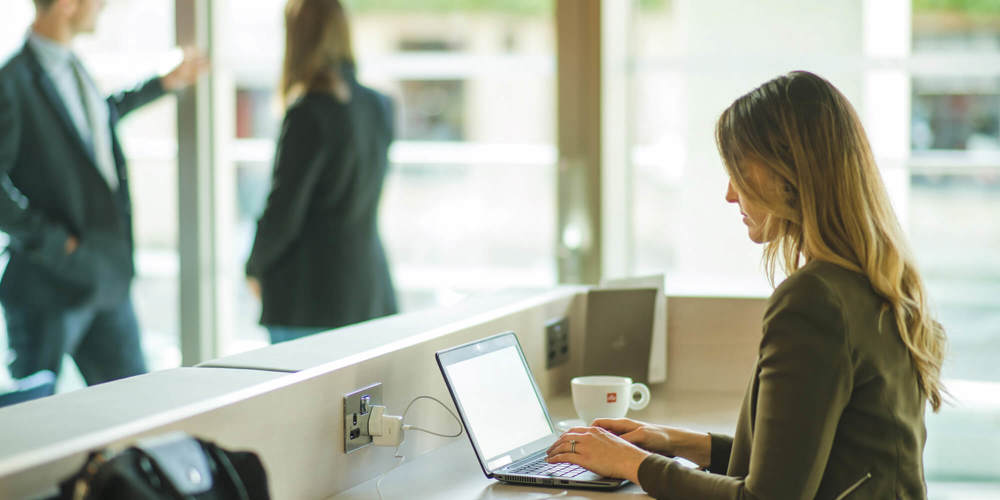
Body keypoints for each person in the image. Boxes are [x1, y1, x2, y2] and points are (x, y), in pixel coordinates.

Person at [545, 71, 948, 499]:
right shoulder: (878, 282)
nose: (730, 194)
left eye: (739, 171)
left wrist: (632, 464)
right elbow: (808, 460)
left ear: (788, 170)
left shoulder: (815, 299)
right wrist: (676, 443)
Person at [0, 0, 207, 387]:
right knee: (37, 422)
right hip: (49, 284)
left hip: (105, 276)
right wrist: (56, 243)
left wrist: (161, 84)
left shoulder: (73, 66)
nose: (104, 6)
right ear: (66, 5)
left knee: (133, 408)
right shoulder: (10, 82)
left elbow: (95, 121)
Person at [245, 0, 398, 344]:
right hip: (368, 291)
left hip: (309, 299)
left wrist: (254, 266)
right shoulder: (379, 105)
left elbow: (283, 209)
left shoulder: (309, 111)